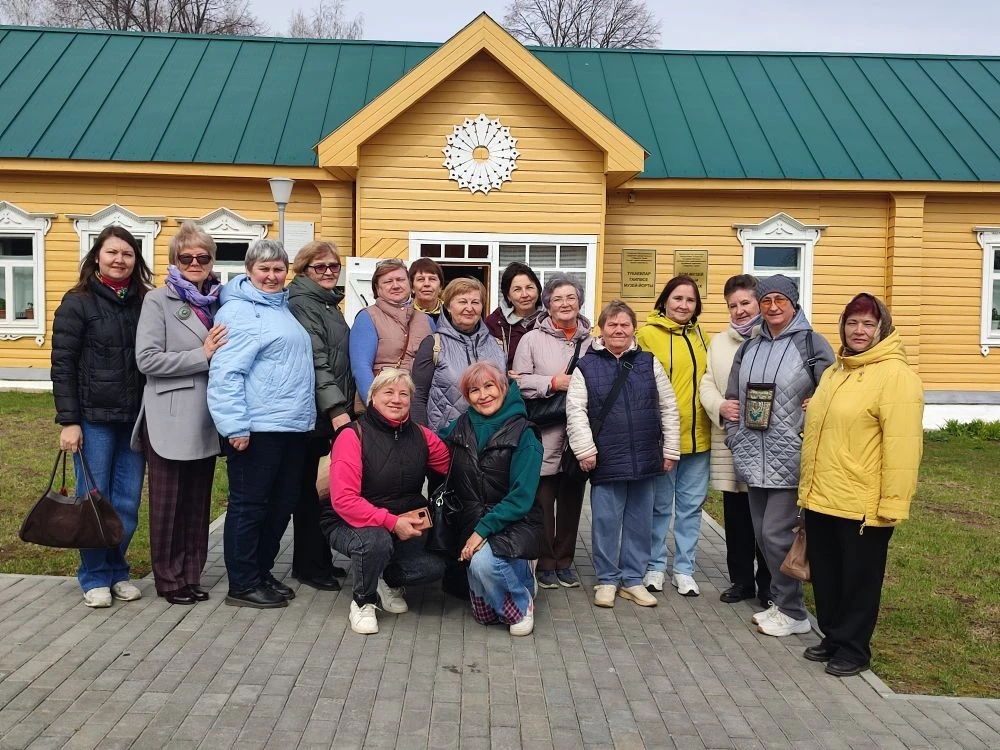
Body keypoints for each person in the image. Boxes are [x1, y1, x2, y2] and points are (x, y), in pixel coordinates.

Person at [798, 293, 923, 677]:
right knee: (828, 575)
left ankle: (854, 649)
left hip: (863, 504)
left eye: (868, 324)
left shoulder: (896, 376)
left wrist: (893, 503)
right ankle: (834, 637)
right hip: (823, 495)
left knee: (859, 580)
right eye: (852, 322)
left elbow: (903, 447)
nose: (859, 330)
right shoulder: (837, 371)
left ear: (882, 328)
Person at [725, 273, 835, 636]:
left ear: (793, 303)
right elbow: (733, 398)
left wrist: (818, 404)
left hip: (792, 456)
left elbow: (834, 391)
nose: (773, 307)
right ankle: (781, 603)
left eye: (780, 300)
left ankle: (793, 611)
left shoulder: (811, 344)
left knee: (776, 534)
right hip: (752, 456)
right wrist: (734, 437)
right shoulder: (749, 348)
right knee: (762, 534)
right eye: (766, 301)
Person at [208, 239, 315, 609]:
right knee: (250, 506)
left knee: (280, 504)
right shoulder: (239, 312)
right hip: (257, 428)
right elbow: (226, 373)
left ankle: (260, 572)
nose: (272, 276)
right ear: (249, 271)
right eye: (264, 269)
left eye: (278, 269)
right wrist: (234, 426)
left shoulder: (281, 307)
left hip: (290, 426)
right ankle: (242, 583)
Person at [51, 226, 152, 608]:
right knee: (94, 499)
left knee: (126, 502)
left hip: (133, 420)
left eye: (127, 254)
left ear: (135, 260)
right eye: (112, 252)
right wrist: (69, 421)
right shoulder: (77, 302)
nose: (119, 260)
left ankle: (116, 570)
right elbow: (63, 365)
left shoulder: (144, 301)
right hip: (93, 420)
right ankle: (93, 576)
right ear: (97, 256)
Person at [132, 221, 225, 605]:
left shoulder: (220, 301)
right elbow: (147, 360)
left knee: (197, 504)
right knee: (168, 506)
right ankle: (169, 580)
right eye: (186, 257)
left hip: (206, 417)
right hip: (169, 416)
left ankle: (191, 574)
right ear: (174, 260)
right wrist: (201, 355)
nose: (195, 263)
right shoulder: (158, 300)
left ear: (212, 260)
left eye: (202, 257)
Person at [566, 301, 680, 609]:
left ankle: (632, 580)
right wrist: (585, 450)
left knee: (640, 523)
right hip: (606, 458)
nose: (619, 330)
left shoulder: (648, 362)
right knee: (605, 521)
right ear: (601, 329)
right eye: (612, 324)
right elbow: (575, 411)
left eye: (624, 324)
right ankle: (606, 579)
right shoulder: (587, 366)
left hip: (645, 455)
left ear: (633, 329)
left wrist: (670, 449)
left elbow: (668, 407)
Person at [320, 369, 450, 635]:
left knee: (433, 567)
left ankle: (384, 578)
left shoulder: (422, 435)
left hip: (403, 520)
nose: (396, 399)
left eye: (404, 394)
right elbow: (344, 500)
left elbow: (453, 465)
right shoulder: (353, 435)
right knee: (375, 542)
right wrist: (391, 523)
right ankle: (362, 601)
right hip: (349, 522)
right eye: (388, 392)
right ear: (372, 398)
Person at [440, 363, 545, 636]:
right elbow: (432, 445)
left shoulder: (524, 432)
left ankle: (522, 603)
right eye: (474, 390)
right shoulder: (462, 424)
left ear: (503, 388)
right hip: (473, 520)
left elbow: (521, 497)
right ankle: (514, 576)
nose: (483, 395)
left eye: (489, 386)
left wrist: (481, 532)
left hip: (515, 522)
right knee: (484, 616)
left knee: (483, 563)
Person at [513, 273, 592, 589]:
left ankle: (564, 560)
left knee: (572, 502)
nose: (565, 303)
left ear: (579, 301)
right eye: (557, 298)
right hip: (544, 433)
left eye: (571, 297)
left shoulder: (592, 342)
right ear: (547, 304)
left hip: (579, 436)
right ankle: (545, 562)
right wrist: (552, 383)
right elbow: (517, 381)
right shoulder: (532, 339)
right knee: (543, 502)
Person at [699, 274, 772, 608]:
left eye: (745, 303)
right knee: (737, 515)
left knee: (767, 519)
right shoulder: (719, 342)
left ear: (758, 302)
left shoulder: (775, 338)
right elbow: (707, 382)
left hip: (767, 442)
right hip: (731, 439)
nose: (740, 311)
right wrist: (719, 405)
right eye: (733, 305)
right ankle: (741, 581)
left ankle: (769, 585)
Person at [636, 274, 712, 597]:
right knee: (659, 506)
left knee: (691, 507)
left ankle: (684, 569)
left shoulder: (702, 336)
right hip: (663, 438)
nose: (683, 305)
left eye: (690, 300)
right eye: (677, 298)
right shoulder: (646, 335)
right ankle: (654, 565)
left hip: (699, 437)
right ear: (665, 300)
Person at [288, 240, 356, 592]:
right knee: (310, 493)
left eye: (334, 266)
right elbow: (317, 360)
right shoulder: (304, 303)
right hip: (316, 414)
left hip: (327, 411)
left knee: (321, 490)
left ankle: (319, 559)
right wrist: (336, 409)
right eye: (320, 267)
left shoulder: (326, 302)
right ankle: (309, 566)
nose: (329, 271)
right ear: (304, 270)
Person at [411, 277, 507, 432]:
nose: (469, 308)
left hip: (492, 436)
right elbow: (418, 396)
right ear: (448, 306)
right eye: (462, 302)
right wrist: (423, 437)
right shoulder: (434, 345)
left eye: (475, 302)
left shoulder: (497, 345)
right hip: (446, 438)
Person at [349, 258, 432, 403]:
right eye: (388, 282)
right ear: (377, 288)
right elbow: (361, 368)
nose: (395, 285)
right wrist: (374, 404)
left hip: (419, 404)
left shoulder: (426, 320)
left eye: (400, 280)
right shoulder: (367, 317)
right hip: (384, 402)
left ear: (409, 283)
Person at [485, 262, 542, 370]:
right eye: (517, 289)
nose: (525, 295)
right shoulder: (493, 323)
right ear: (508, 296)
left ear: (538, 290)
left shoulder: (551, 319)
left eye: (529, 287)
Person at [409, 257, 445, 324]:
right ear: (412, 287)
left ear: (440, 287)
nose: (427, 284)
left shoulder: (451, 313)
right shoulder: (404, 315)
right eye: (421, 279)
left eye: (432, 279)